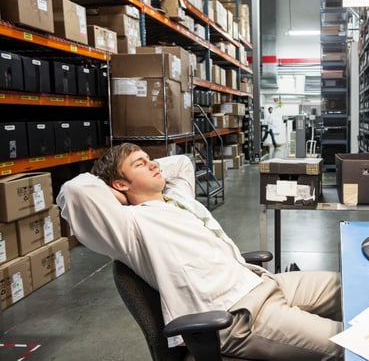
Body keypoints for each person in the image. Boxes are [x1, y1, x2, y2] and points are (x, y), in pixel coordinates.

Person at [57, 143, 342, 360]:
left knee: (348, 286)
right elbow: (74, 192)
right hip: (238, 314)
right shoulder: (129, 226)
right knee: (348, 343)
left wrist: (140, 172)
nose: (154, 164)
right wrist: (117, 193)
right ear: (120, 184)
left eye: (150, 158)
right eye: (140, 164)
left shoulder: (177, 196)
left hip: (260, 281)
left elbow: (181, 163)